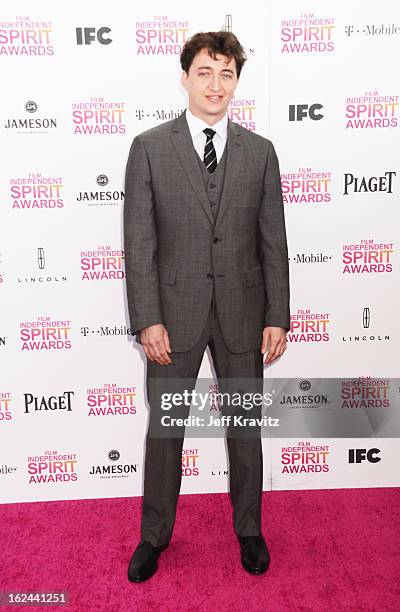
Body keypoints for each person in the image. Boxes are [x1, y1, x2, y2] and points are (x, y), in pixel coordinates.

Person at [123, 31, 290, 582]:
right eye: (205, 72)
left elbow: (273, 243)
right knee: (166, 431)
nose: (215, 84)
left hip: (245, 314)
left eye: (226, 74)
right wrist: (147, 317)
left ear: (237, 81)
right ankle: (153, 536)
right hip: (173, 316)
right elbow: (140, 242)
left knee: (245, 428)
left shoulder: (261, 152)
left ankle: (249, 529)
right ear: (185, 77)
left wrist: (276, 315)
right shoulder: (149, 147)